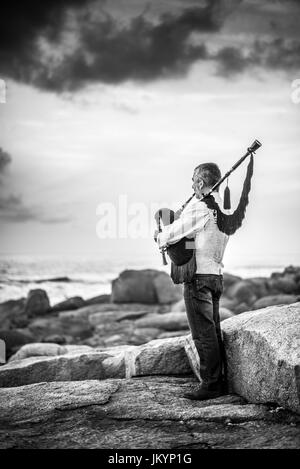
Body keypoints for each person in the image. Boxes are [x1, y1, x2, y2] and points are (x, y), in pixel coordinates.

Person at [155, 163, 232, 400]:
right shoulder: (225, 208)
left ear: (200, 183)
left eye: (193, 181)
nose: (191, 185)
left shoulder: (200, 207)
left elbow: (171, 234)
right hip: (216, 276)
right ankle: (218, 381)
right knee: (213, 330)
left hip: (198, 278)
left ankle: (211, 385)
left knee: (202, 333)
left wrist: (159, 235)